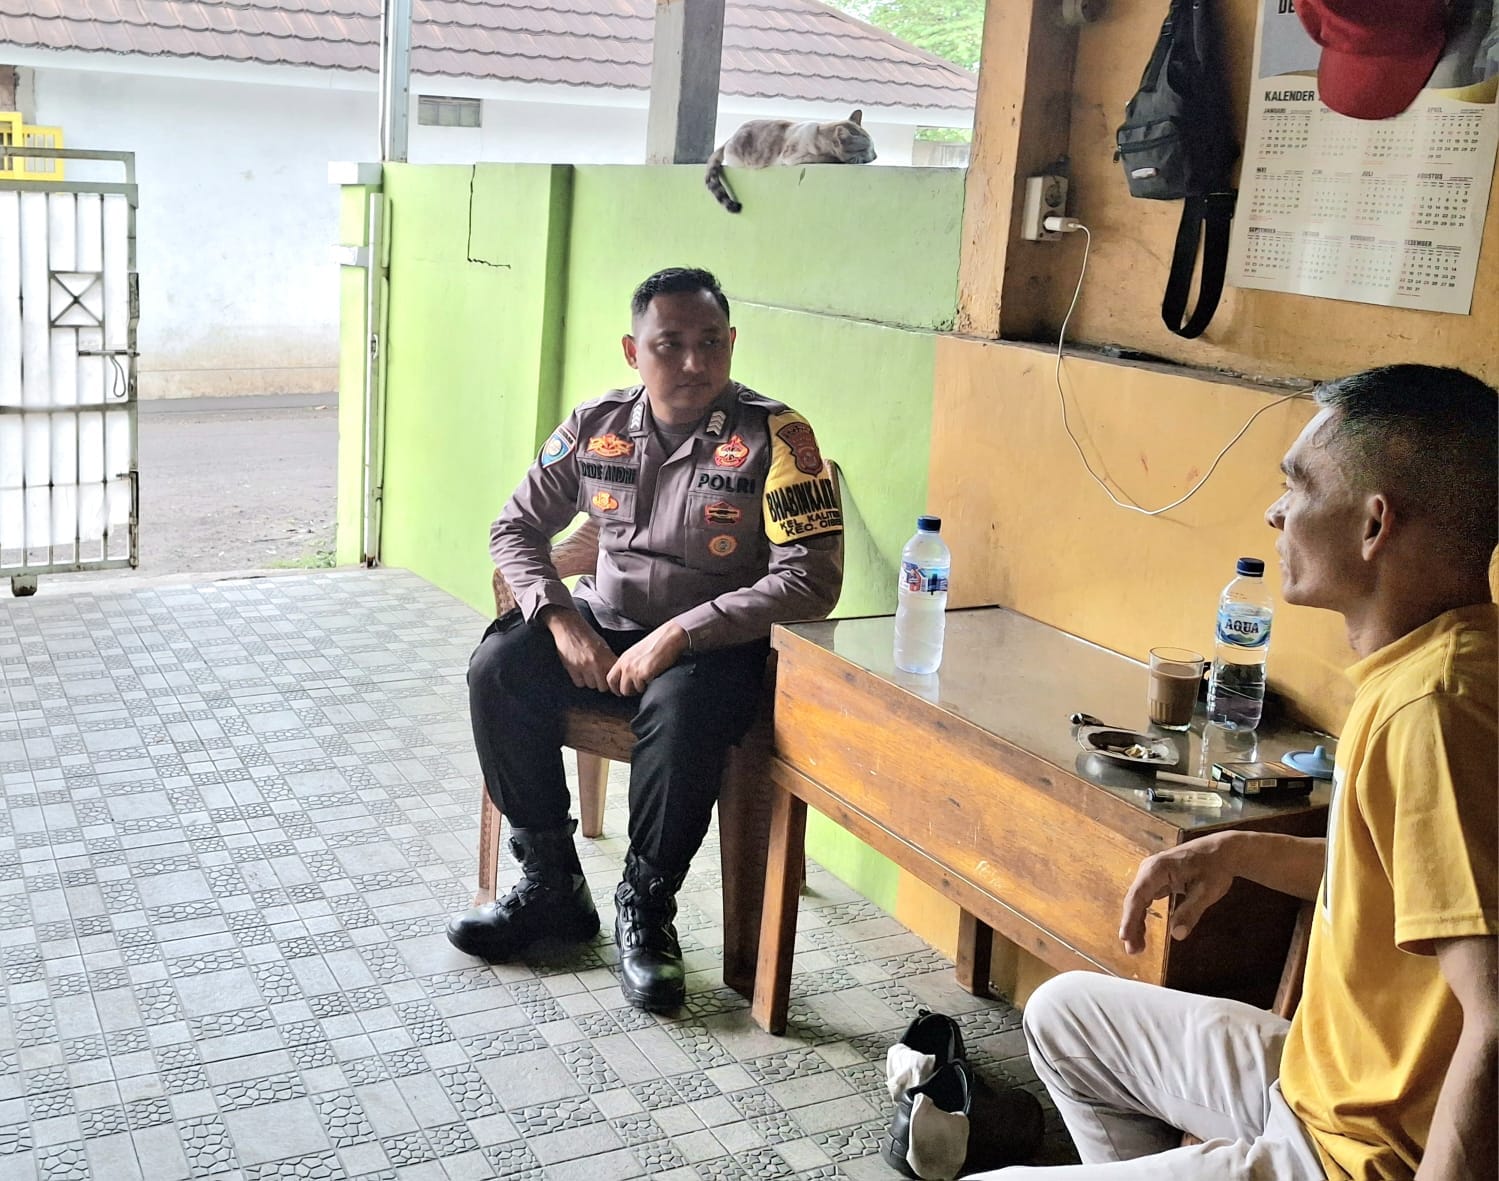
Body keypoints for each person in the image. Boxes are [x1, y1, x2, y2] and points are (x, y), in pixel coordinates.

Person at [968, 365, 1497, 1181]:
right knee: (1063, 1013)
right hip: (1314, 1078)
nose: (1275, 511)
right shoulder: (1436, 661)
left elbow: (1493, 1012)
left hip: (1354, 1154)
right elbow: (1403, 884)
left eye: (1297, 484)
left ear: (1372, 524)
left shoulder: (1431, 707)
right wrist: (1237, 850)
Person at [445, 267, 844, 1012]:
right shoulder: (595, 424)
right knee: (498, 667)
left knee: (683, 710)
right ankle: (552, 888)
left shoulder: (779, 436)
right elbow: (515, 527)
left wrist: (683, 634)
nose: (693, 362)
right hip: (604, 620)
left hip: (714, 642)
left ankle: (647, 907)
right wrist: (561, 620)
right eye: (670, 344)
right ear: (634, 351)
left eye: (711, 343)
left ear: (732, 344)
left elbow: (810, 579)